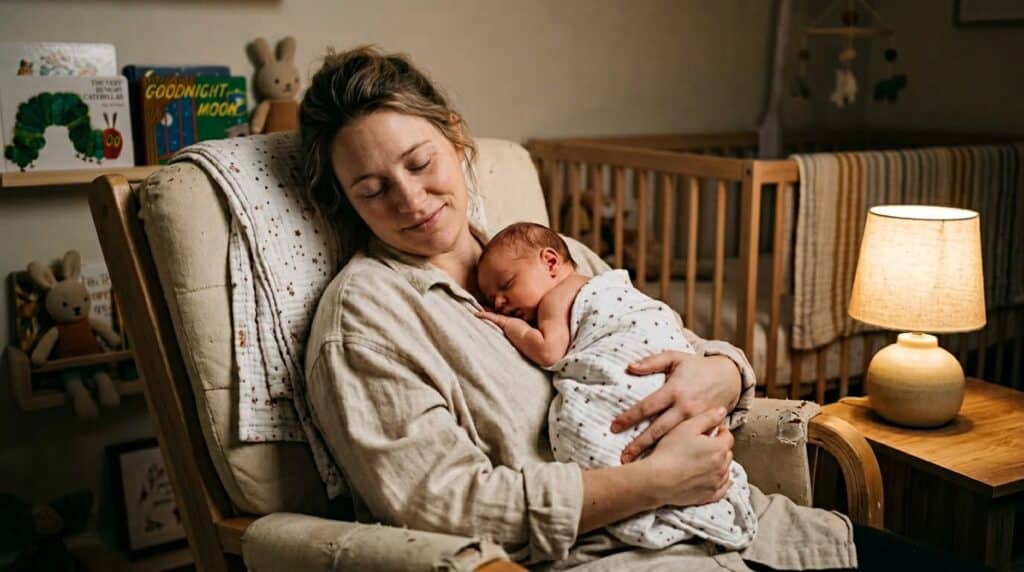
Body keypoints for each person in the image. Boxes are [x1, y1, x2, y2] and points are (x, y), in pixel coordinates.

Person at [298, 45, 986, 571]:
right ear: (346, 202)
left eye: (420, 163)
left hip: (754, 529)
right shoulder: (365, 323)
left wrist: (724, 373)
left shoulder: (549, 253)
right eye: (372, 190)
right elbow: (445, 506)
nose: (410, 200)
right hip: (620, 556)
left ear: (455, 138)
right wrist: (651, 482)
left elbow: (661, 333)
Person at [475, 222, 757, 551]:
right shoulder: (604, 283)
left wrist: (510, 326)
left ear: (550, 263)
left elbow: (549, 351)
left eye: (507, 286)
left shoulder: (556, 297)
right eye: (491, 300)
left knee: (577, 427)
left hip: (632, 373)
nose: (499, 302)